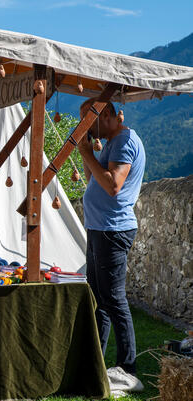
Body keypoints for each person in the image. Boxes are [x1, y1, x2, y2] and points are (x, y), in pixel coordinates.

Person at [77, 99, 145, 384]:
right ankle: (97, 359)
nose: (85, 128)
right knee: (99, 298)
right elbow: (94, 176)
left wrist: (84, 149)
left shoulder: (124, 140)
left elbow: (113, 185)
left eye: (87, 121)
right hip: (100, 227)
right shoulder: (112, 142)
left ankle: (127, 368)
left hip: (112, 230)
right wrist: (88, 153)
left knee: (114, 299)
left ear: (104, 114)